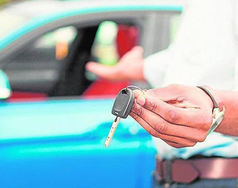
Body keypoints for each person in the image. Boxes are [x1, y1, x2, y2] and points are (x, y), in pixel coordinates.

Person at [86, 0, 238, 187]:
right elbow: (192, 60)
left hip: (221, 176)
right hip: (168, 176)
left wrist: (216, 108)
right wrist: (140, 68)